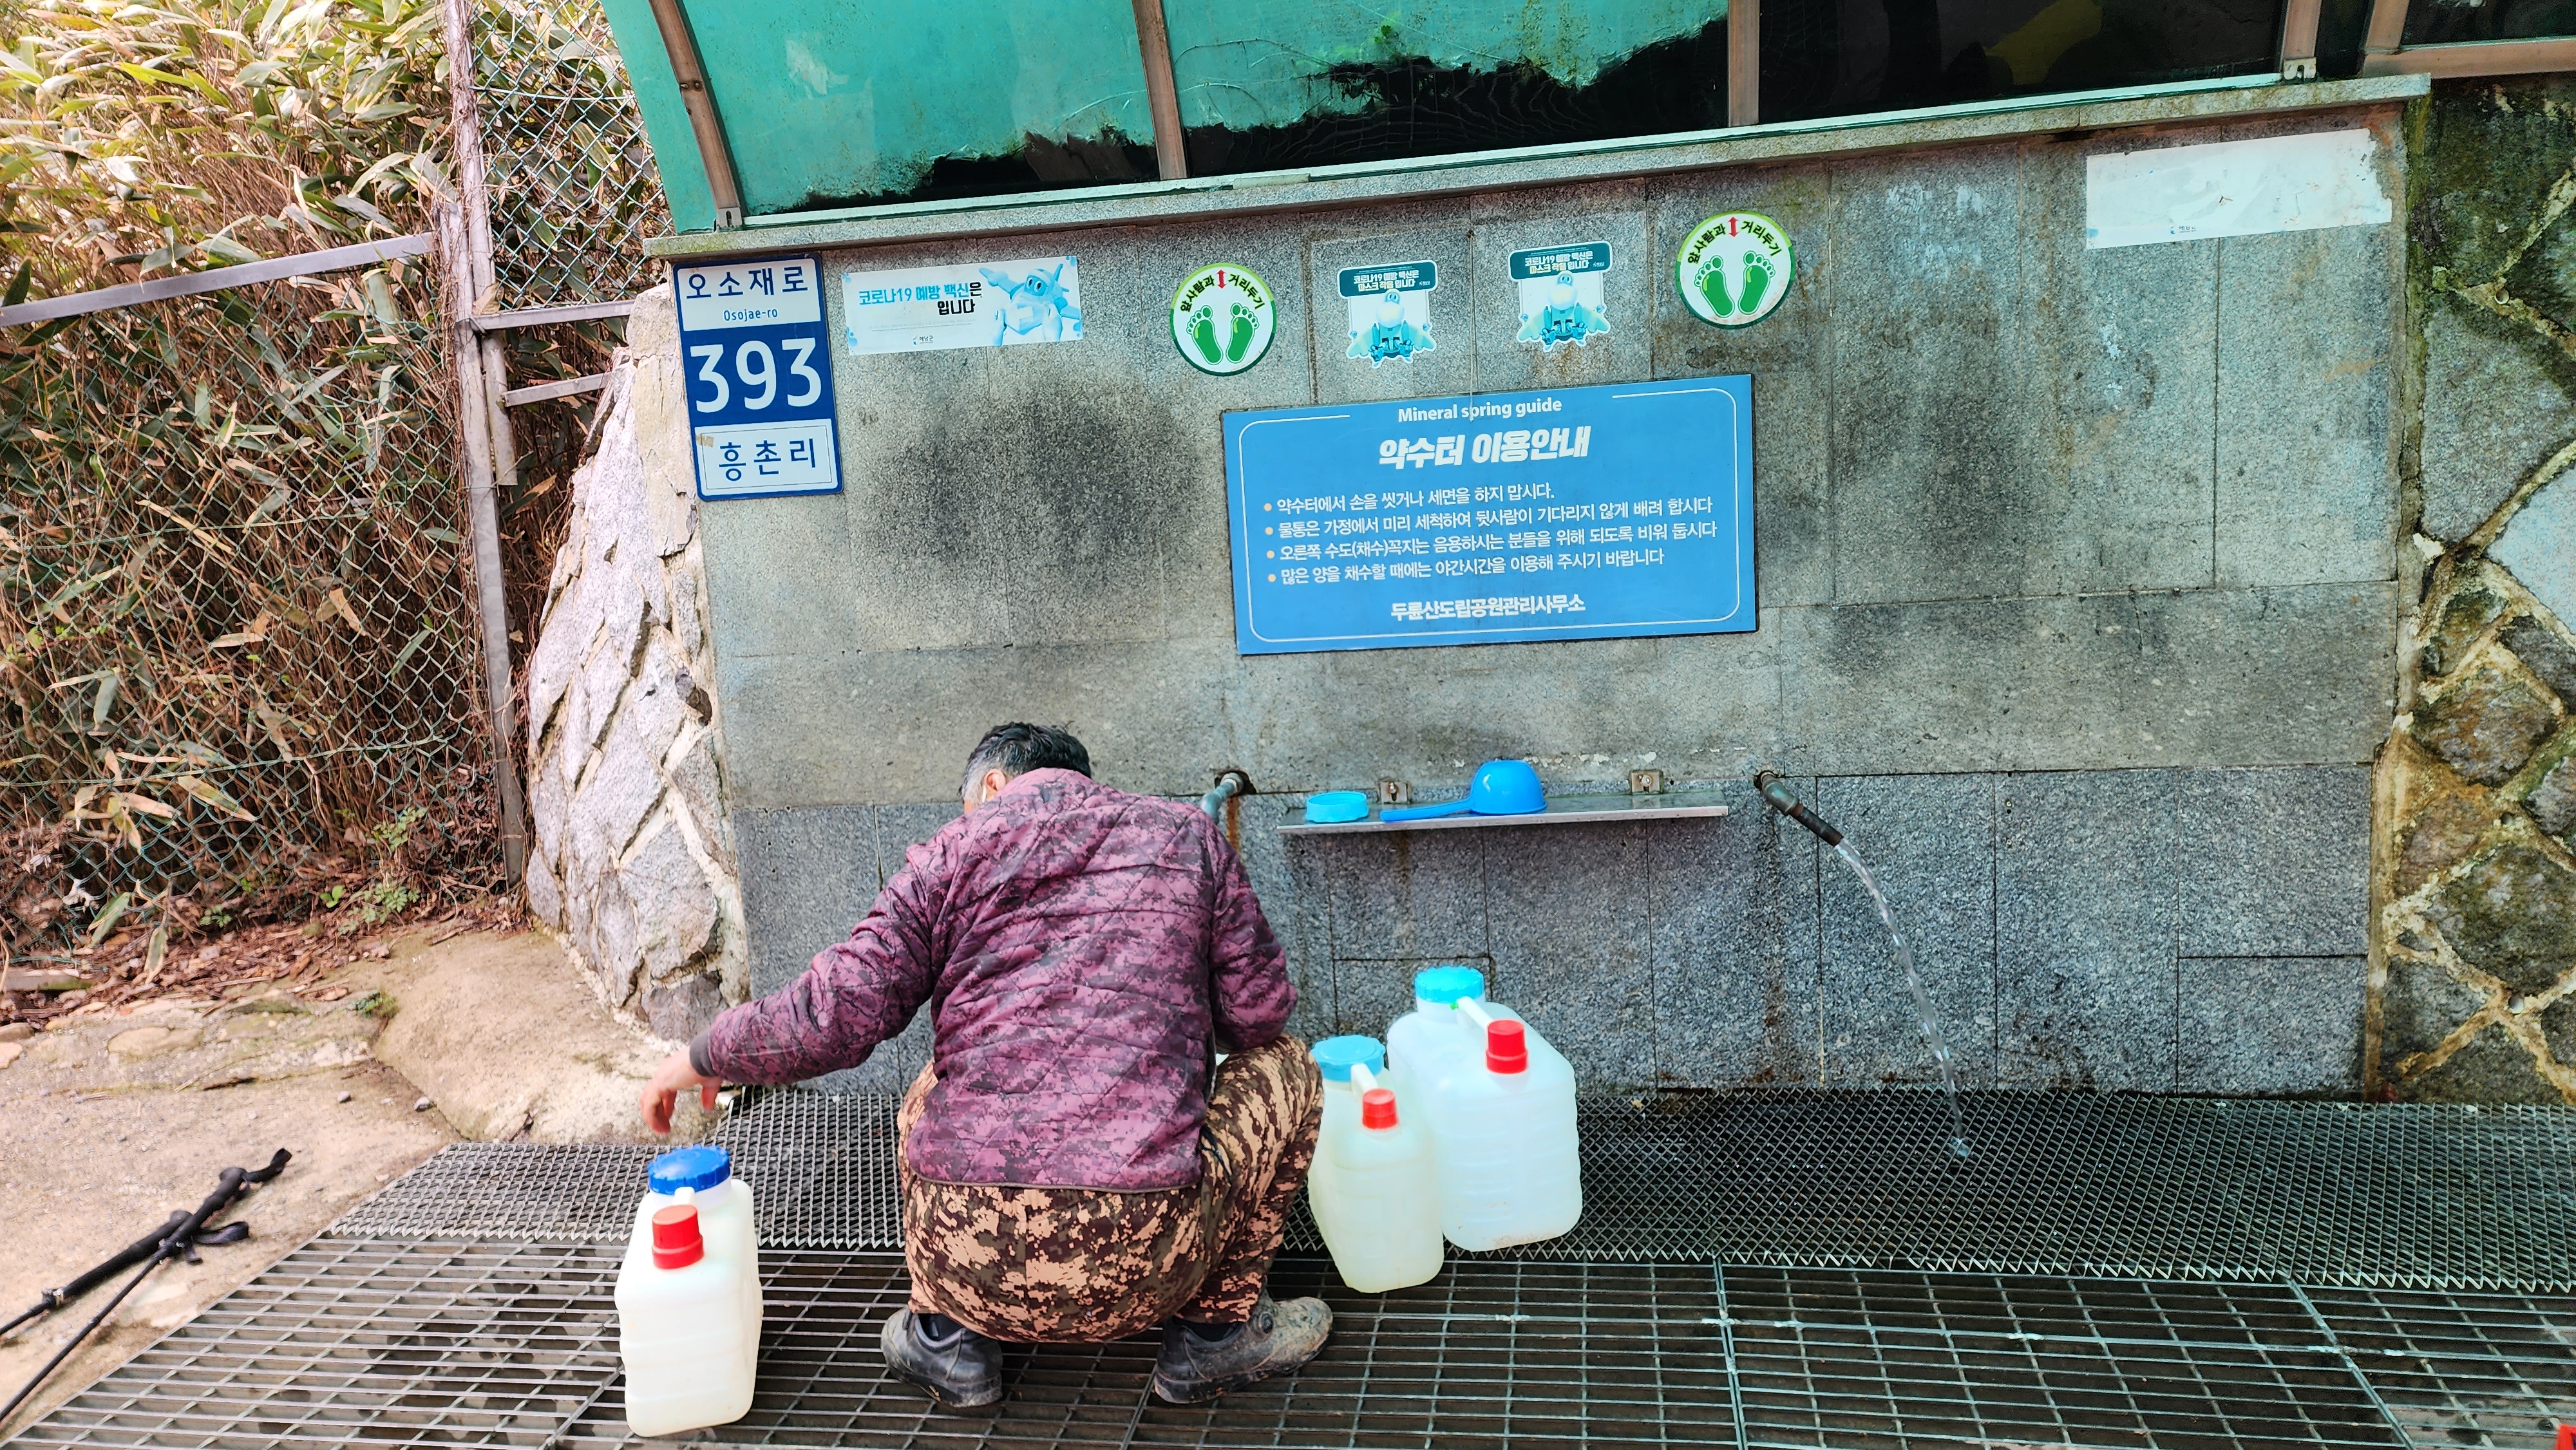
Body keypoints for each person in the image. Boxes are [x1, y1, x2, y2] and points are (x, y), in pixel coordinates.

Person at [639, 724, 1327, 1412]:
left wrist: (705, 1052)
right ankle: (1213, 1338)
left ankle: (946, 1339)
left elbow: (835, 1013)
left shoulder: (949, 852)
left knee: (930, 1089)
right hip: (1152, 1262)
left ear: (993, 785)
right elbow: (1257, 1016)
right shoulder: (1187, 836)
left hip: (966, 1257)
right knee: (1288, 1065)